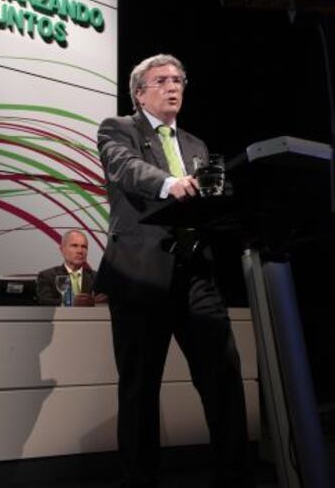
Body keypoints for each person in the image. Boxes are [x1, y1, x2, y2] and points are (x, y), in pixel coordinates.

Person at [95, 54, 254, 488]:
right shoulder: (117, 129)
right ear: (139, 91)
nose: (173, 86)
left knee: (223, 376)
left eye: (179, 79)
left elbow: (209, 195)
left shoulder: (197, 145)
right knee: (141, 388)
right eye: (161, 80)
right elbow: (125, 169)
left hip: (195, 273)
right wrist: (170, 183)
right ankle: (141, 479)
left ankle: (235, 475)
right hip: (140, 274)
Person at [37, 229, 99, 306]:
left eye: (84, 247)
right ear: (62, 250)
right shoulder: (47, 276)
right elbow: (43, 302)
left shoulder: (96, 277)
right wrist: (71, 302)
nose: (80, 251)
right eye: (74, 246)